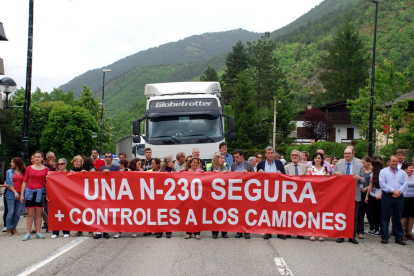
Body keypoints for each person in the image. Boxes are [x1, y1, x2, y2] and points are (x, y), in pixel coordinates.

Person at [334, 148, 365, 244]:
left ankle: (352, 236)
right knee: (341, 215)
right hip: (342, 195)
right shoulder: (338, 165)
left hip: (354, 194)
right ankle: (341, 235)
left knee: (353, 216)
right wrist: (335, 174)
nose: (346, 155)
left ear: (353, 154)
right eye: (345, 153)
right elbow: (333, 177)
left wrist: (359, 178)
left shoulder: (359, 166)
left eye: (348, 153)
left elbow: (363, 180)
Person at [258, 146, 286, 240]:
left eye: (271, 153)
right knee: (267, 212)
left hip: (277, 191)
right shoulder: (261, 164)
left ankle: (279, 232)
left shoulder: (279, 163)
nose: (270, 155)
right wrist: (259, 173)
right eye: (268, 153)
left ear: (274, 154)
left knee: (278, 211)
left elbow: (284, 175)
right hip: (265, 191)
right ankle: (268, 231)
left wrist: (280, 173)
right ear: (265, 154)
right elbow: (256, 176)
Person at [20, 151, 49, 241]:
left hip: (40, 192)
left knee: (39, 214)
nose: (36, 158)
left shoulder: (46, 169)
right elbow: (24, 181)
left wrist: (48, 194)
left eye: (38, 157)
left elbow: (48, 183)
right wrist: (21, 195)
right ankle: (28, 233)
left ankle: (38, 232)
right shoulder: (29, 168)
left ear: (42, 158)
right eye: (35, 157)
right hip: (30, 192)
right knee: (30, 214)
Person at [379, 155, 408, 245]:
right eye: (393, 161)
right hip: (387, 195)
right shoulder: (383, 171)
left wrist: (399, 192)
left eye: (396, 161)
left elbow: (405, 183)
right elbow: (382, 184)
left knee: (397, 217)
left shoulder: (402, 172)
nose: (395, 163)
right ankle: (385, 236)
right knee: (385, 216)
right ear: (389, 162)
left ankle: (398, 237)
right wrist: (393, 191)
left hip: (399, 196)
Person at [94, 152, 120, 239]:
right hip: (104, 192)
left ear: (112, 158)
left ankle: (115, 229)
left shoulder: (116, 167)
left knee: (114, 212)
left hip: (114, 192)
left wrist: (110, 173)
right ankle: (102, 231)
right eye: (106, 157)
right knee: (102, 212)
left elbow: (119, 177)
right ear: (104, 158)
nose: (108, 158)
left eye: (109, 157)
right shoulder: (101, 168)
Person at [231, 149, 254, 239]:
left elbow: (254, 177)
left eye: (237, 157)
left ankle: (246, 231)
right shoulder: (233, 165)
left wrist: (247, 174)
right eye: (234, 157)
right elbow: (229, 178)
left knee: (246, 211)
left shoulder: (249, 165)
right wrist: (234, 174)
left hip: (247, 191)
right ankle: (239, 230)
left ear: (242, 156)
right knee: (238, 212)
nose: (236, 159)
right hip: (237, 191)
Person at [307, 152, 330, 242]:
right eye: (315, 158)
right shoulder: (310, 169)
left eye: (319, 158)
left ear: (321, 159)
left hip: (323, 193)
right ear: (313, 159)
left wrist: (328, 176)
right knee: (313, 213)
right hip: (312, 193)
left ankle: (321, 233)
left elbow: (330, 181)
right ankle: (312, 233)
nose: (317, 159)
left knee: (322, 213)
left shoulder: (326, 169)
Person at [155, 155, 175, 239]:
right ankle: (159, 231)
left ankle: (168, 231)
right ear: (168, 162)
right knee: (161, 213)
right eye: (173, 161)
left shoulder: (174, 171)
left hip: (170, 196)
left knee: (170, 213)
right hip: (161, 195)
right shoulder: (161, 171)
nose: (174, 163)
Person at [5, 157, 26, 236]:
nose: (11, 164)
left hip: (21, 193)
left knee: (18, 212)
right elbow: (8, 183)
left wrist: (22, 194)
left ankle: (14, 227)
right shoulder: (9, 172)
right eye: (11, 162)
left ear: (17, 163)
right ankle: (8, 228)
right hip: (11, 194)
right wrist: (15, 192)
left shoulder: (24, 172)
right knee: (11, 212)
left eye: (12, 162)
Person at [51, 158, 71, 239]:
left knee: (65, 213)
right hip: (56, 196)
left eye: (61, 164)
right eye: (58, 164)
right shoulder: (54, 174)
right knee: (55, 213)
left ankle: (66, 231)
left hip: (66, 197)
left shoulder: (69, 173)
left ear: (65, 164)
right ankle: (55, 231)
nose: (59, 165)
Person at [184, 156, 202, 239]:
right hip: (187, 197)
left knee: (197, 214)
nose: (195, 164)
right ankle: (188, 232)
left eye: (197, 163)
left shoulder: (201, 172)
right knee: (187, 214)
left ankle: (197, 232)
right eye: (194, 162)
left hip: (197, 197)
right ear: (190, 163)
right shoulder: (185, 172)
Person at [365, 161, 383, 237]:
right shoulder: (372, 174)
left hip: (379, 196)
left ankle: (379, 229)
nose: (370, 166)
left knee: (378, 213)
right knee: (372, 212)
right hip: (372, 195)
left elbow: (383, 186)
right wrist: (367, 195)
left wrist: (381, 194)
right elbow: (370, 185)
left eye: (371, 165)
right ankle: (375, 228)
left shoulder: (381, 174)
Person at [357, 156, 373, 239]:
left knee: (362, 211)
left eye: (364, 162)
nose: (362, 164)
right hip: (358, 191)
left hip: (365, 193)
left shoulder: (370, 171)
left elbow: (365, 180)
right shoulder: (361, 169)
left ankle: (362, 230)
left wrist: (366, 188)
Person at [401, 162, 414, 241]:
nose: (412, 169)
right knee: (404, 215)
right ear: (405, 169)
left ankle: (409, 233)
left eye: (413, 168)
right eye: (410, 168)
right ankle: (401, 233)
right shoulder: (402, 177)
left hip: (413, 198)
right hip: (404, 197)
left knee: (412, 216)